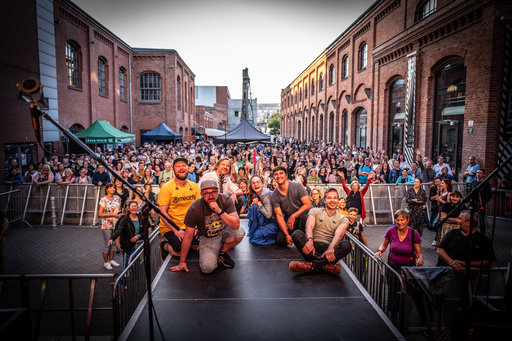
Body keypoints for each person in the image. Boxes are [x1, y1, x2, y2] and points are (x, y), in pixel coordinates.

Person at [170, 179, 244, 274]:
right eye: (206, 193)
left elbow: (236, 224)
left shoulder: (226, 199)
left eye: (213, 192)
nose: (210, 196)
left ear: (218, 192)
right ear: (201, 194)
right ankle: (204, 250)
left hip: (225, 231)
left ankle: (221, 252)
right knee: (207, 269)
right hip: (208, 238)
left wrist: (219, 211)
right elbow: (188, 236)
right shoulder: (194, 208)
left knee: (239, 232)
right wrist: (182, 262)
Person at [289, 188, 352, 275]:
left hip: (328, 251)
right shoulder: (315, 211)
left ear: (338, 201)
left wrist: (331, 247)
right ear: (325, 200)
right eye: (329, 198)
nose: (332, 200)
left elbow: (339, 234)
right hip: (312, 248)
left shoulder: (343, 218)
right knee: (296, 234)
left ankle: (311, 265)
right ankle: (324, 265)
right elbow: (309, 226)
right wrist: (310, 240)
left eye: (335, 198)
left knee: (347, 245)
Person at [158, 158, 201, 259]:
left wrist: (198, 227)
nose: (181, 168)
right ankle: (165, 245)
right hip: (172, 226)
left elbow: (199, 210)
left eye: (183, 165)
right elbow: (162, 212)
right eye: (178, 166)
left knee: (203, 244)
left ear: (188, 168)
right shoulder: (166, 188)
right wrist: (176, 230)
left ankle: (191, 243)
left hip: (190, 225)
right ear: (173, 170)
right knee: (181, 251)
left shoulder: (195, 187)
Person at [271, 166, 312, 247]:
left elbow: (308, 205)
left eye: (281, 173)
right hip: (295, 220)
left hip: (307, 217)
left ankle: (306, 240)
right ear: (274, 177)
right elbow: (279, 216)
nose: (278, 176)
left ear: (286, 175)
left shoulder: (297, 186)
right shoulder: (274, 195)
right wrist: (286, 235)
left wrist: (293, 216)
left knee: (305, 214)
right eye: (276, 174)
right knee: (280, 240)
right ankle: (297, 237)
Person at [108, 200, 148, 267]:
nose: (133, 208)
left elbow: (147, 231)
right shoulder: (124, 219)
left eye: (135, 206)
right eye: (131, 206)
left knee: (138, 265)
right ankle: (126, 277)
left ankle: (136, 276)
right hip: (128, 246)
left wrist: (139, 236)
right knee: (127, 265)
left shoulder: (141, 217)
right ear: (128, 208)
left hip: (139, 245)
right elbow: (118, 230)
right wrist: (113, 239)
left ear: (137, 207)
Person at [246, 175, 279, 245]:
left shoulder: (267, 195)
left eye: (258, 182)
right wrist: (254, 205)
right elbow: (251, 213)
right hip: (264, 219)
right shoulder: (254, 194)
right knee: (254, 207)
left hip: (274, 222)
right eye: (253, 183)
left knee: (255, 238)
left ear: (262, 184)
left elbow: (268, 215)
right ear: (251, 185)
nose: (256, 184)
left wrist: (259, 204)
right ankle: (254, 232)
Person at [98, 183, 121, 270]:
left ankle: (111, 260)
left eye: (113, 188)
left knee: (114, 242)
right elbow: (100, 214)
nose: (113, 189)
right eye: (111, 188)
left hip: (116, 223)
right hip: (107, 224)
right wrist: (112, 215)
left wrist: (119, 215)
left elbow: (119, 209)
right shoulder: (103, 200)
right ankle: (106, 262)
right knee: (107, 243)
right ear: (107, 189)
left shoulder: (118, 198)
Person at [470, 169, 492, 235]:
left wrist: (483, 203)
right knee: (470, 218)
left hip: (480, 204)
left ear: (483, 174)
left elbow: (489, 196)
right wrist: (469, 202)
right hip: (472, 203)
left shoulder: (486, 184)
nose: (478, 174)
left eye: (480, 173)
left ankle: (482, 235)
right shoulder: (473, 182)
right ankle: (471, 232)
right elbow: (469, 193)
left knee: (481, 220)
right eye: (477, 172)